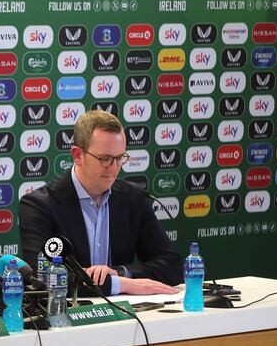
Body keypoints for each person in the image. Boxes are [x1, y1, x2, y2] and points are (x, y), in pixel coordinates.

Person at [19, 110, 182, 295]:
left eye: (120, 158)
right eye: (105, 159)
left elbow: (172, 265)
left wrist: (120, 272)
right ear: (78, 155)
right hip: (69, 315)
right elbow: (43, 278)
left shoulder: (133, 198)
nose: (114, 168)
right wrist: (120, 284)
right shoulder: (39, 205)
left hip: (126, 313)